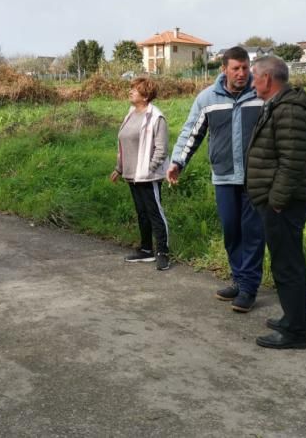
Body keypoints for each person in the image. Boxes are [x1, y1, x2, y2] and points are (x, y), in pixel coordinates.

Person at [166, 46, 265, 312]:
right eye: (236, 68)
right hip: (223, 176)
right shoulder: (208, 98)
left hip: (256, 177)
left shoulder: (261, 95)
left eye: (245, 68)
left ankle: (248, 288)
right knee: (232, 231)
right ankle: (238, 277)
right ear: (224, 69)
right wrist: (177, 162)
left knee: (253, 233)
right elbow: (191, 132)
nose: (242, 73)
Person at [246, 56, 306, 349]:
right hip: (280, 201)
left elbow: (292, 163)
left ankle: (295, 331)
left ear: (267, 79)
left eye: (255, 76)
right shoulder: (279, 106)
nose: (252, 82)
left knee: (288, 265)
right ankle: (294, 319)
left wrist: (276, 202)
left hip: (284, 203)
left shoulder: (288, 111)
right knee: (285, 263)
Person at [111, 76, 171, 271]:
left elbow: (161, 149)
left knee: (155, 213)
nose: (130, 92)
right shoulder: (131, 114)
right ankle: (146, 250)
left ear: (145, 96)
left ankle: (163, 251)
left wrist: (149, 169)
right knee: (142, 213)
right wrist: (119, 168)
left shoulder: (156, 117)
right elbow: (123, 144)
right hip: (131, 174)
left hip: (147, 176)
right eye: (131, 89)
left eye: (135, 90)